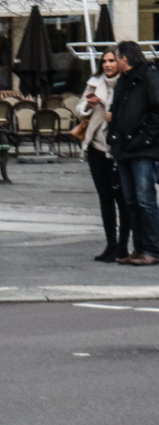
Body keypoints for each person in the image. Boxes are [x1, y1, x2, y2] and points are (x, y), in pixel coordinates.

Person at [105, 41, 159, 265]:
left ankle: (153, 250)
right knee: (132, 201)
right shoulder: (124, 81)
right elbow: (118, 111)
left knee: (145, 200)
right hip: (124, 149)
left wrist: (144, 139)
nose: (113, 62)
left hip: (142, 149)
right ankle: (139, 248)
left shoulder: (148, 77)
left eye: (115, 58)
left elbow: (157, 111)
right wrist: (114, 138)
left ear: (124, 59)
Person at [76, 48, 131, 262]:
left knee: (123, 198)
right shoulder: (94, 82)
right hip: (97, 146)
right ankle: (111, 244)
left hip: (118, 148)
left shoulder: (128, 83)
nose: (108, 65)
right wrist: (88, 106)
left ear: (120, 62)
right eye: (105, 61)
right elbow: (79, 110)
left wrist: (113, 114)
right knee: (105, 197)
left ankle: (123, 246)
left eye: (112, 60)